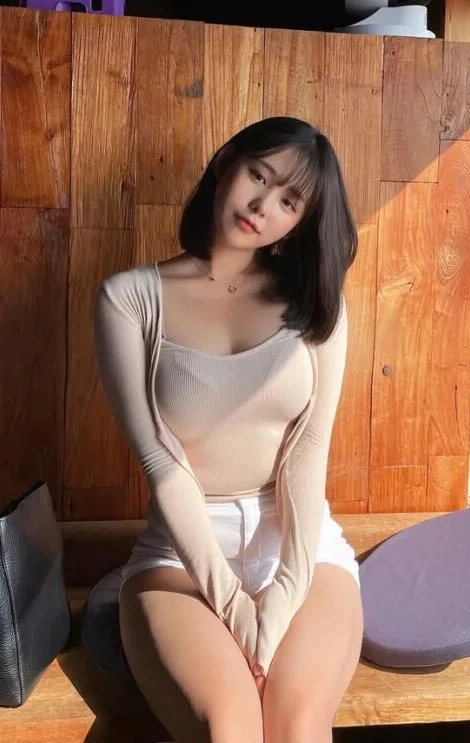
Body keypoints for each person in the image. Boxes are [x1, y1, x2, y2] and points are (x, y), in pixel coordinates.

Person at [93, 116, 363, 742]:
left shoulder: (317, 303)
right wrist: (238, 610)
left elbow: (307, 453)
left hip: (300, 547)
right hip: (180, 556)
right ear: (226, 163)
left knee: (298, 728)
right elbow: (161, 463)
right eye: (258, 176)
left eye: (289, 201)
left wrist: (284, 594)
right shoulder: (128, 300)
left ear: (300, 221)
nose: (263, 206)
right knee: (230, 731)